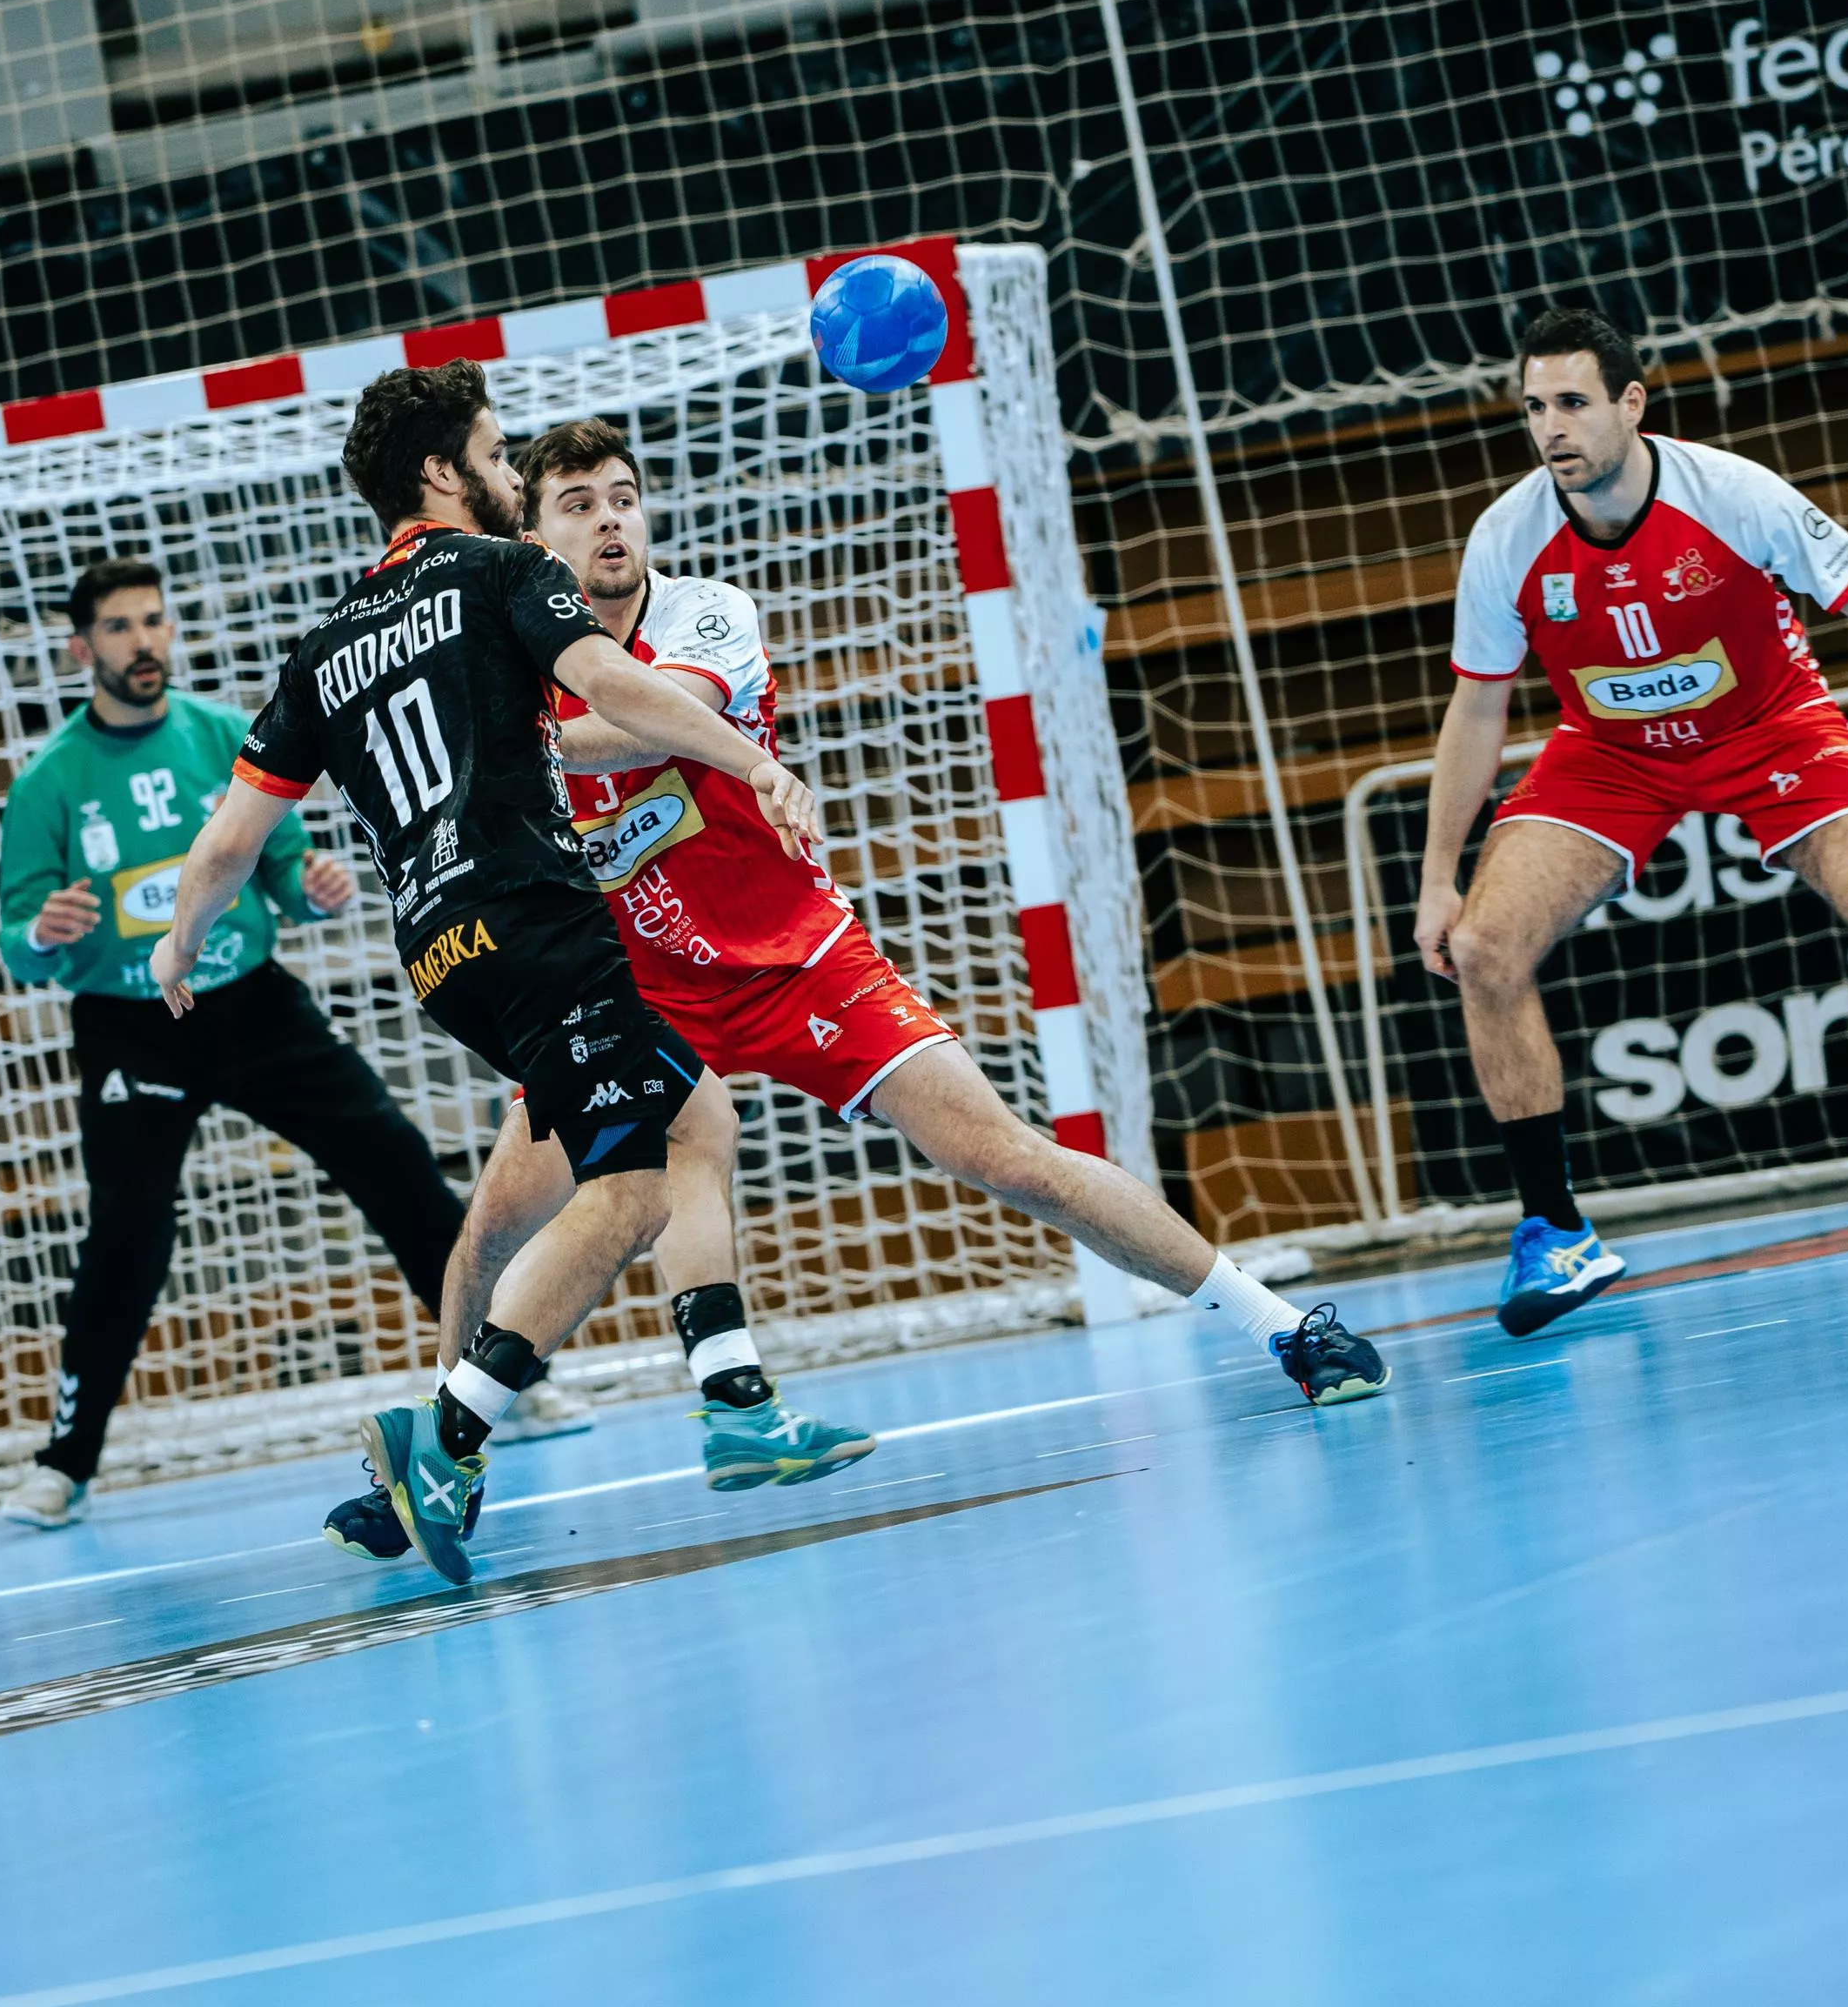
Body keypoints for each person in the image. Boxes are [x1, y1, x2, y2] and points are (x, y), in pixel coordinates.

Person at [154, 364, 1379, 1589]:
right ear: (530, 525)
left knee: (1007, 1157)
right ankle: (448, 1462)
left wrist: (514, 728)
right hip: (625, 977)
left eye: (625, 497)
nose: (610, 521)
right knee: (491, 1225)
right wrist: (495, 714)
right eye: (575, 502)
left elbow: (640, 715)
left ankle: (1281, 1324)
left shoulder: (700, 617)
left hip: (790, 955)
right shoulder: (504, 619)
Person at [1414, 304, 1848, 1329]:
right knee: (1481, 947)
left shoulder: (1731, 494)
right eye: (1532, 407)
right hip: (1610, 752)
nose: (1549, 426)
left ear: (1629, 404)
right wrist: (1437, 876)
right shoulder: (1505, 537)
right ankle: (1554, 1230)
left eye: (1571, 402)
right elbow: (1477, 707)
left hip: (1770, 727)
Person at [0, 554, 484, 1529]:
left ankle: (493, 1380)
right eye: (120, 627)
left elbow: (285, 876)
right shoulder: (48, 781)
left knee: (391, 1155)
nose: (143, 642)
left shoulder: (223, 734)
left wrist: (313, 889)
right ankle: (64, 1461)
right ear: (81, 649)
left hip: (253, 1004)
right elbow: (17, 939)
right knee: (128, 1234)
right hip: (132, 1025)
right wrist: (40, 931)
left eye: (154, 620)